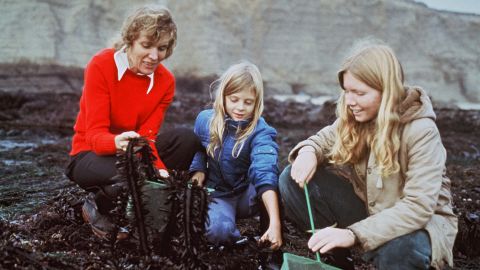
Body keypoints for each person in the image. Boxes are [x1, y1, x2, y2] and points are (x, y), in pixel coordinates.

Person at [279, 41, 457, 269]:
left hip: (418, 228)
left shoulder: (422, 131)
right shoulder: (358, 115)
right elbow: (323, 139)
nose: (350, 101)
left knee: (400, 251)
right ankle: (338, 260)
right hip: (371, 210)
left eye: (359, 93)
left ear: (387, 90)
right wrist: (308, 151)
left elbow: (418, 207)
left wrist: (353, 234)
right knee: (290, 179)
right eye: (347, 91)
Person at [65, 6, 203, 240]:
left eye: (161, 48)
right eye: (146, 45)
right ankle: (94, 203)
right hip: (88, 154)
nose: (154, 56)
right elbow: (95, 136)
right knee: (134, 172)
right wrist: (118, 143)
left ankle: (132, 193)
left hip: (133, 152)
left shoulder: (165, 81)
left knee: (187, 140)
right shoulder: (101, 65)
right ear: (130, 40)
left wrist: (160, 170)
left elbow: (148, 137)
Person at [189, 62, 283, 250]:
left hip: (247, 195)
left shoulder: (262, 132)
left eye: (248, 102)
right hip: (219, 194)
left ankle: (271, 229)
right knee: (217, 231)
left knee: (281, 182)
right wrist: (198, 170)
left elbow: (264, 170)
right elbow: (198, 149)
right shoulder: (204, 120)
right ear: (223, 96)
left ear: (257, 102)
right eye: (234, 99)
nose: (240, 107)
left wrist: (276, 222)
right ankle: (234, 234)